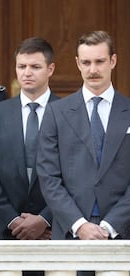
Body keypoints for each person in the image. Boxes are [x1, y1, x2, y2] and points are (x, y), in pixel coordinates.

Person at [37, 30, 130, 246]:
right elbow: (49, 176)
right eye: (86, 62)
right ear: (77, 63)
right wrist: (79, 224)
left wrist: (110, 225)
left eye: (100, 61)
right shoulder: (55, 113)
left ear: (113, 61)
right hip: (70, 233)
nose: (93, 70)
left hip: (123, 232)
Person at [0, 37, 58, 276]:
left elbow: (75, 177)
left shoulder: (69, 112)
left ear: (50, 69)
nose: (27, 73)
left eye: (35, 67)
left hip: (54, 234)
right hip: (6, 233)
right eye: (21, 66)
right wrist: (13, 220)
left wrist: (45, 219)